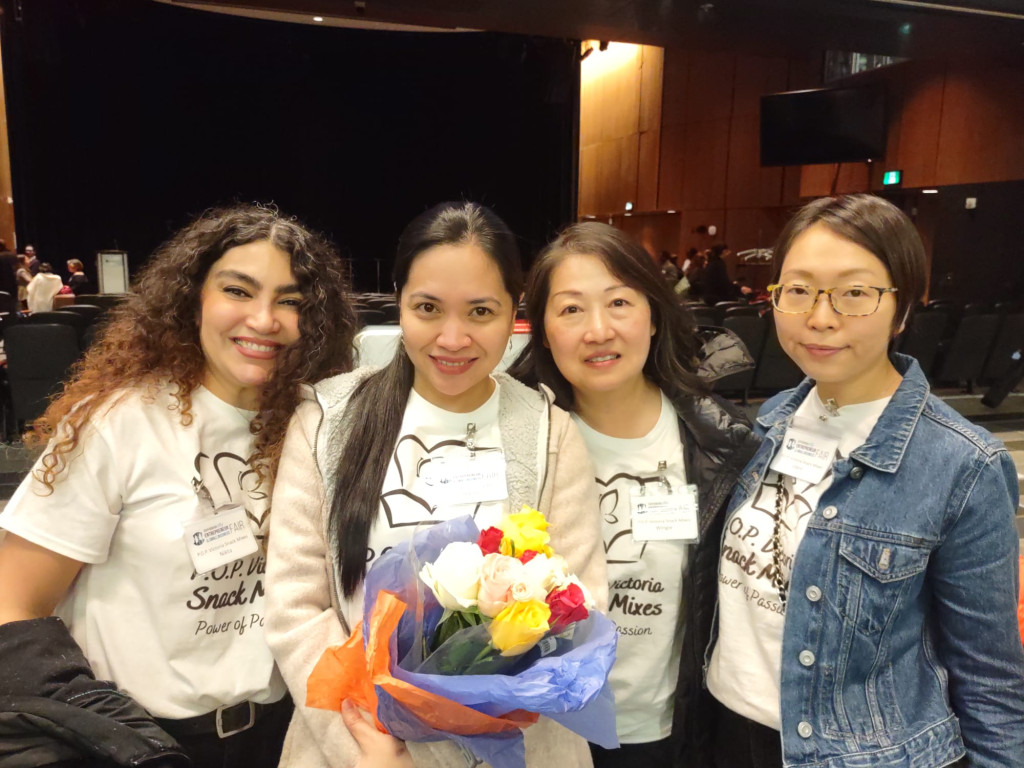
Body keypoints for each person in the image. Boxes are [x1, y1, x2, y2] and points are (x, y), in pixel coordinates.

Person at [0, 204, 357, 768]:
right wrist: (91, 722)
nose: (264, 320)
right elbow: (12, 599)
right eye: (238, 291)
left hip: (280, 737)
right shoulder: (121, 422)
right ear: (194, 299)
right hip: (139, 743)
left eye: (290, 301)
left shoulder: (317, 428)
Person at [265, 201, 606, 768]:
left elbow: (580, 599)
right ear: (399, 301)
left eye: (480, 311)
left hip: (518, 747)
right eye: (427, 308)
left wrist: (485, 720)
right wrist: (369, 746)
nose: (453, 338)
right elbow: (296, 608)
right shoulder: (328, 421)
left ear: (512, 311)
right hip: (360, 749)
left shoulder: (548, 431)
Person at [705, 194, 1024, 768]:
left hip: (862, 755)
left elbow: (990, 677)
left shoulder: (963, 464)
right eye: (798, 290)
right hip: (729, 732)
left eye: (855, 293)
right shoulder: (772, 419)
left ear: (903, 309)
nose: (820, 318)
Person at [508, 221, 759, 767]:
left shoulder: (721, 443)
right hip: (545, 733)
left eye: (618, 302)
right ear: (544, 330)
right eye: (571, 309)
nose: (598, 330)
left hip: (668, 733)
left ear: (652, 314)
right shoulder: (515, 441)